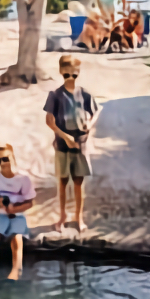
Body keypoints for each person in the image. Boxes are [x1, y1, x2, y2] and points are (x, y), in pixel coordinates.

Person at [43, 55, 100, 232]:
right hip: (62, 144)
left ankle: (78, 217)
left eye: (74, 75)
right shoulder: (55, 96)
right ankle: (62, 217)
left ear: (78, 74)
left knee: (78, 182)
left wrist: (89, 124)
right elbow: (49, 121)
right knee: (62, 182)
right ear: (61, 72)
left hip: (80, 144)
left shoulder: (84, 94)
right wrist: (65, 137)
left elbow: (96, 111)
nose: (71, 79)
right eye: (67, 75)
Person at [0, 144, 35, 280]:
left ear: (12, 156)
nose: (2, 163)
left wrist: (15, 209)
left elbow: (29, 203)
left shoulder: (23, 178)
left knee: (16, 237)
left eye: (5, 159)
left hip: (17, 214)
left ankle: (16, 269)